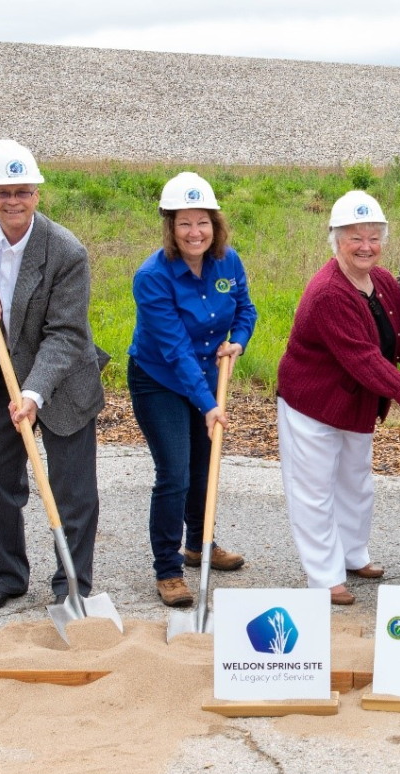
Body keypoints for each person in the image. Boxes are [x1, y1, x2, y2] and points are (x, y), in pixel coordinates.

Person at [0, 139, 108, 613]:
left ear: (37, 192)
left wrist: (33, 393)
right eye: (2, 192)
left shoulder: (66, 249)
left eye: (23, 191)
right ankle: (6, 577)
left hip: (65, 378)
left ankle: (71, 586)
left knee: (73, 491)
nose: (13, 201)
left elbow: (67, 335)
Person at [278, 191, 400, 605]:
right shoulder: (330, 292)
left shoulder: (381, 280)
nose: (366, 246)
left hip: (355, 405)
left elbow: (397, 333)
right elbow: (361, 357)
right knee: (313, 489)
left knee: (356, 482)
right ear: (336, 240)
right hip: (312, 405)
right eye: (355, 238)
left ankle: (352, 555)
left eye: (373, 237)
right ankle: (325, 576)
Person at [128, 172, 257, 607]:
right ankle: (167, 569)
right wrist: (207, 405)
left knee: (205, 470)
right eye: (184, 223)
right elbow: (176, 350)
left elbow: (245, 309)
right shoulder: (152, 276)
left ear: (215, 224)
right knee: (176, 474)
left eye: (202, 221)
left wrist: (238, 340)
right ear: (170, 226)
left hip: (207, 375)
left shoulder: (229, 262)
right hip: (159, 379)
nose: (194, 232)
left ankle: (199, 545)